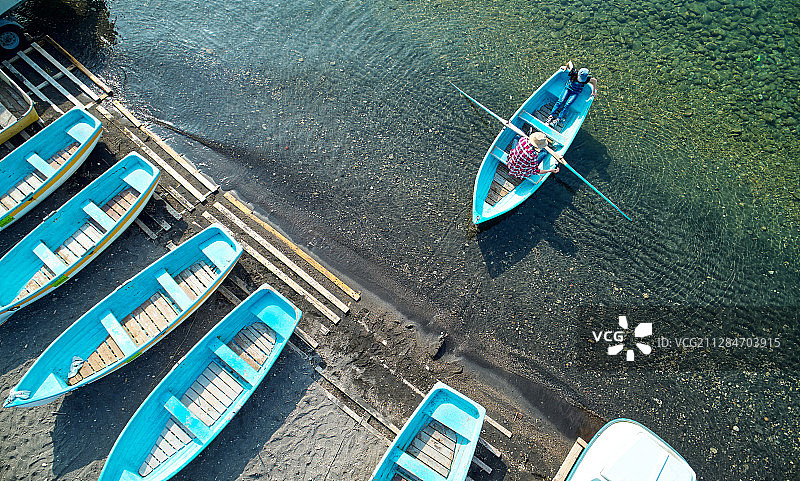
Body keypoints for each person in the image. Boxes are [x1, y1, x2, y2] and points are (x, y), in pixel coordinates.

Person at [546, 60, 598, 128]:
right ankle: (551, 115)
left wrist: (593, 91)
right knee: (560, 101)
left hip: (576, 92)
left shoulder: (587, 79)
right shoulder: (574, 72)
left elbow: (595, 81)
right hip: (568, 88)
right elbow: (570, 62)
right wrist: (566, 67)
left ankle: (558, 119)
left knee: (568, 104)